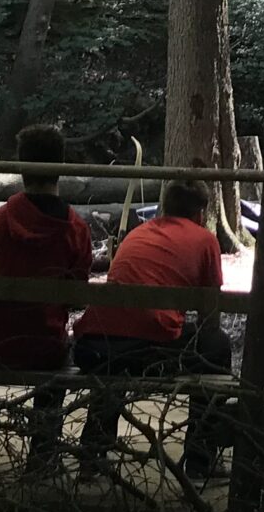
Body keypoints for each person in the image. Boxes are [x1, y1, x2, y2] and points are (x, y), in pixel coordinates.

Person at [71, 180, 233, 479]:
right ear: (200, 213)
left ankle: (92, 452)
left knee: (114, 362)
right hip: (145, 347)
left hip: (95, 344)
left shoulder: (139, 232)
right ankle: (201, 458)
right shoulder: (204, 239)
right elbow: (210, 314)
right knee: (217, 346)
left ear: (164, 207)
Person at [0, 122, 92, 465]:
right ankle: (43, 452)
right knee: (65, 352)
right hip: (43, 347)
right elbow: (77, 297)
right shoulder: (75, 229)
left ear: (22, 166)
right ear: (60, 166)